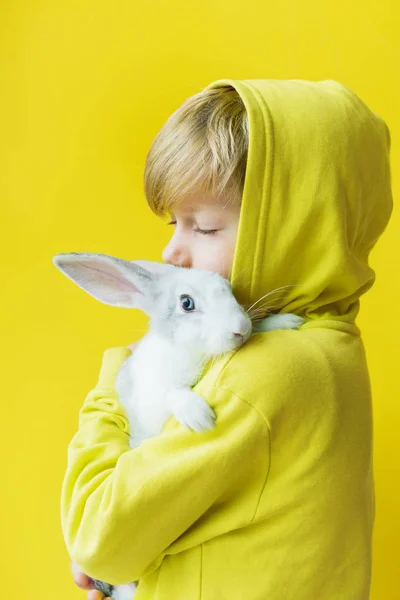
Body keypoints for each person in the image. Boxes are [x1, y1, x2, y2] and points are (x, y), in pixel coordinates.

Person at [62, 78, 393, 600]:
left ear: (293, 226)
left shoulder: (255, 376)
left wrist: (112, 389)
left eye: (204, 227)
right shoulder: (329, 344)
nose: (172, 251)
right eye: (175, 222)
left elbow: (97, 540)